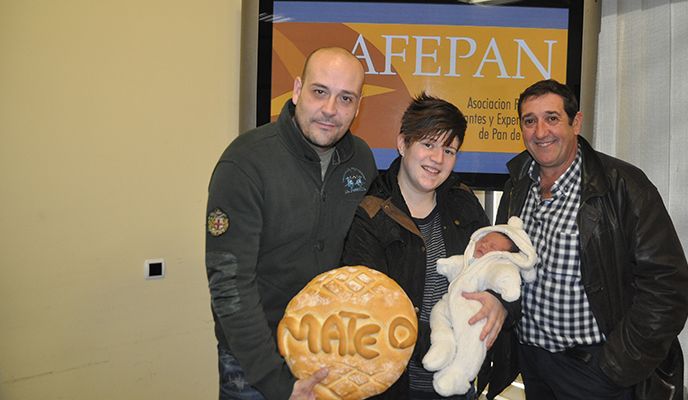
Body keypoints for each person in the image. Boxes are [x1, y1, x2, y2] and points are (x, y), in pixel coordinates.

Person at [496, 79, 688, 400]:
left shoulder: (623, 187)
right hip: (532, 364)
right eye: (529, 121)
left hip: (594, 371)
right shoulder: (517, 186)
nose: (540, 131)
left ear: (576, 122)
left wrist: (616, 365)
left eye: (552, 118)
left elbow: (668, 287)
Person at [204, 47, 378, 400]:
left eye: (346, 98)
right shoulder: (245, 161)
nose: (331, 110)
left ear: (358, 108)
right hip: (255, 362)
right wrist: (276, 382)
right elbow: (229, 281)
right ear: (297, 90)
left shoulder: (361, 159)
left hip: (330, 353)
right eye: (319, 92)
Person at [341, 93, 519, 399]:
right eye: (428, 144)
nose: (437, 159)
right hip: (394, 386)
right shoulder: (369, 214)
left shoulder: (463, 203)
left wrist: (500, 304)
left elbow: (502, 264)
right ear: (402, 144)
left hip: (460, 387)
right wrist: (449, 339)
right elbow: (369, 314)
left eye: (449, 150)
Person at [423, 217, 537, 397]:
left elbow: (502, 275)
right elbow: (457, 264)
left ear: (504, 255)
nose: (485, 246)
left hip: (475, 311)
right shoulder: (469, 259)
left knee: (473, 340)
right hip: (449, 303)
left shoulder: (496, 265)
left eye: (493, 247)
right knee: (437, 316)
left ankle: (459, 374)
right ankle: (443, 344)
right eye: (484, 241)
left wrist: (504, 295)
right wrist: (446, 265)